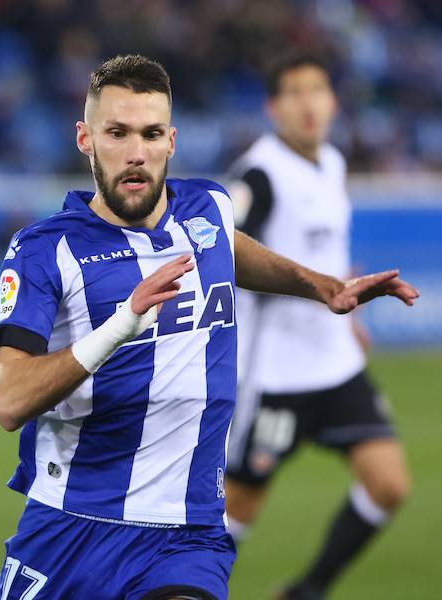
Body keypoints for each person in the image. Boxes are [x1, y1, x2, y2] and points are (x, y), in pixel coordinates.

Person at [0, 55, 418, 600]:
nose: (136, 153)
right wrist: (122, 324)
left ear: (172, 140)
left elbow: (231, 248)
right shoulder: (47, 250)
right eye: (116, 133)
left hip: (188, 537)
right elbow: (8, 400)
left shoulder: (208, 208)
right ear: (85, 138)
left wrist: (322, 286)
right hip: (73, 527)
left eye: (150, 134)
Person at [223, 53, 411, 600]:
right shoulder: (257, 175)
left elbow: (329, 249)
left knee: (389, 484)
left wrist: (348, 309)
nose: (308, 105)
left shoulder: (330, 161)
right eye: (294, 93)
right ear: (272, 107)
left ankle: (305, 592)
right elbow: (230, 258)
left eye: (317, 91)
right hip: (275, 374)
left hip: (336, 365)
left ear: (332, 101)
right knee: (236, 515)